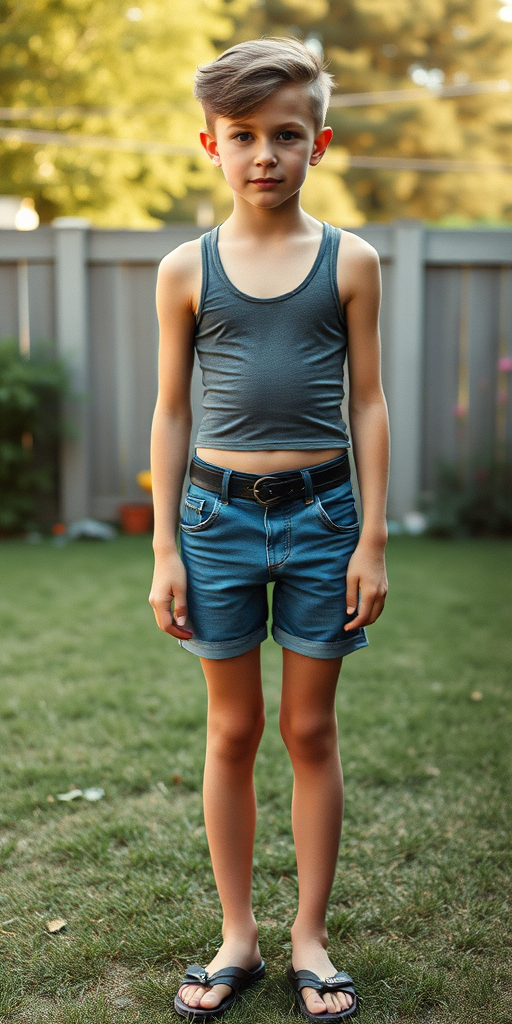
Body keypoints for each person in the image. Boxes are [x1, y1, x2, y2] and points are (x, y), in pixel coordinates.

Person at [149, 36, 389, 1022]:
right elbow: (170, 411)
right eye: (242, 135)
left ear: (317, 144)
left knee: (307, 728)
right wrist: (163, 543)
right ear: (209, 142)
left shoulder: (351, 261)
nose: (262, 154)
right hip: (211, 519)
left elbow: (368, 403)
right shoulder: (182, 269)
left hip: (323, 516)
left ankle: (308, 937)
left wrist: (371, 535)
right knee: (233, 727)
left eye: (284, 135)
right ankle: (238, 934)